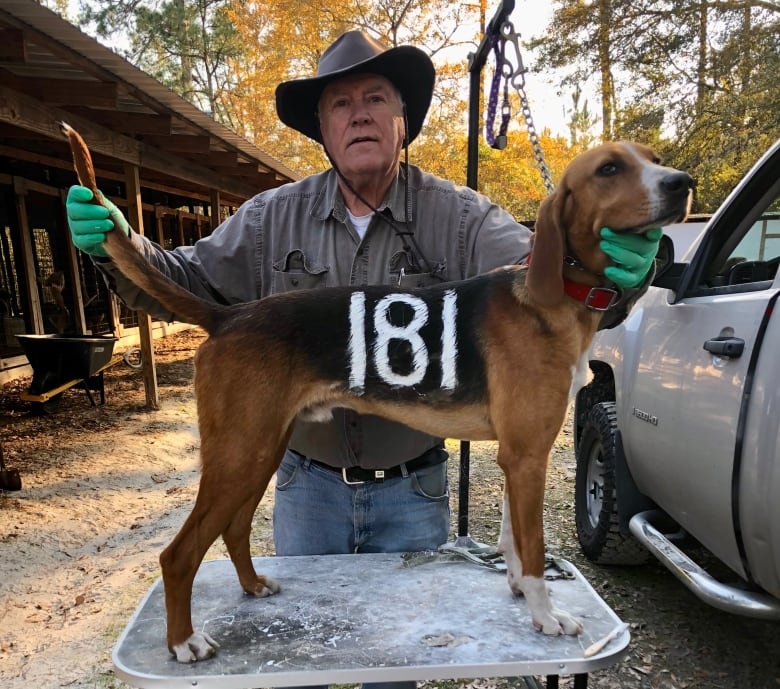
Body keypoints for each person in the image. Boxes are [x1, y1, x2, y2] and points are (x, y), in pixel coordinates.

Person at [66, 29, 659, 688]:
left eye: (376, 97)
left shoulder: (457, 215)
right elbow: (185, 281)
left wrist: (617, 278)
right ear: (322, 127)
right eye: (340, 103)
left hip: (411, 492)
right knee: (297, 664)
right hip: (306, 491)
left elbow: (538, 278)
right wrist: (113, 243)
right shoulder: (269, 218)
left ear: (402, 120)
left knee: (397, 671)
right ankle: (185, 597)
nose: (359, 113)